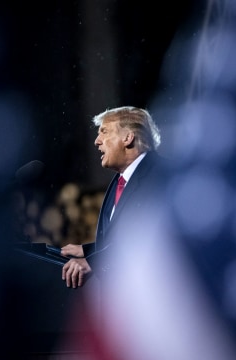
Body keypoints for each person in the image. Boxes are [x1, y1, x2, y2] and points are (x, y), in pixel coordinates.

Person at [61, 106, 172, 288]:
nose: (97, 141)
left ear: (128, 138)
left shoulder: (160, 175)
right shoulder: (121, 179)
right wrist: (89, 250)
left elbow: (151, 239)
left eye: (104, 132)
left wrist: (96, 261)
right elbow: (125, 236)